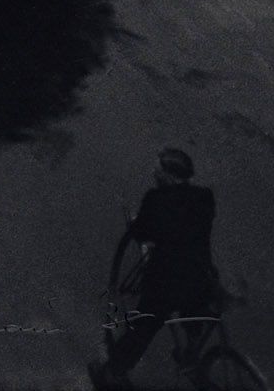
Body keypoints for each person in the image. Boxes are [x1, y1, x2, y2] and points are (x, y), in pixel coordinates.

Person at [90, 148, 219, 389]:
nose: (154, 172)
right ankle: (190, 351)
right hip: (200, 275)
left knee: (144, 327)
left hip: (167, 281)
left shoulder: (155, 199)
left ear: (167, 175)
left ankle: (111, 372)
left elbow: (141, 232)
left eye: (158, 169)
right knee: (196, 306)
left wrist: (136, 221)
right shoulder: (205, 196)